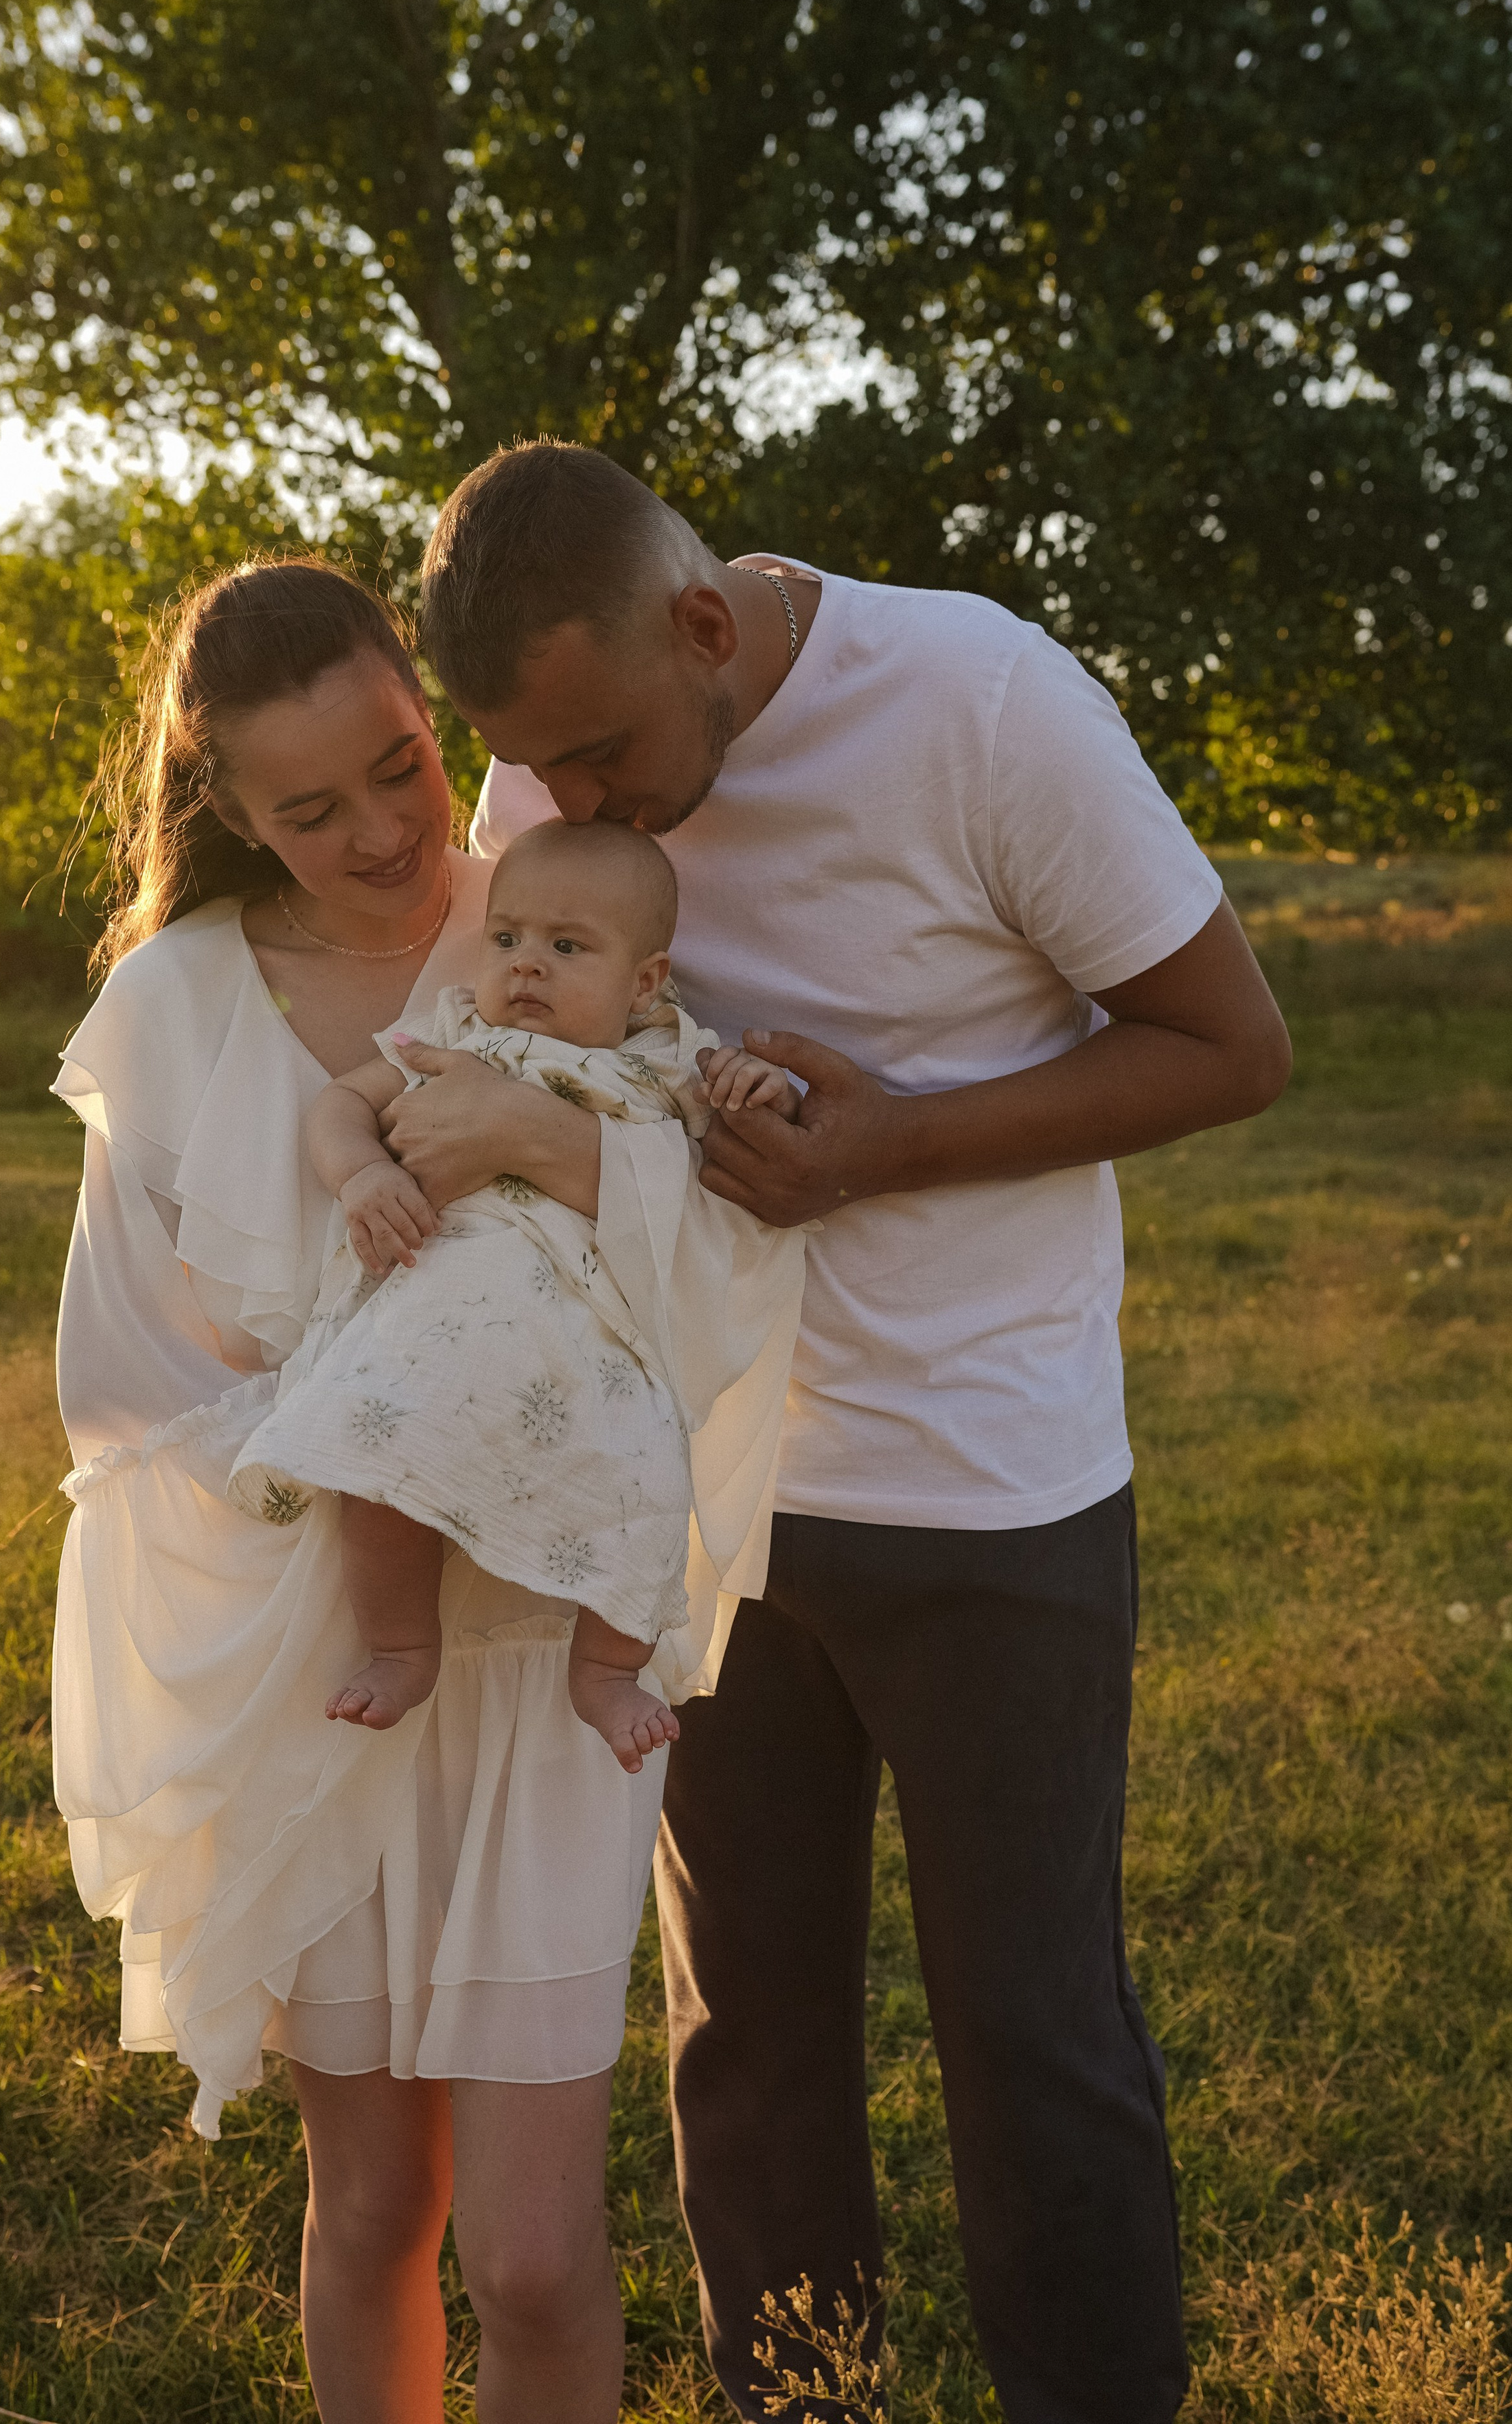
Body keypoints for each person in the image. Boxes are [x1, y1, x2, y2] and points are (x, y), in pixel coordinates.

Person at [406, 440, 1294, 2424]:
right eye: (539, 776)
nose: (579, 813)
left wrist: (886, 1146)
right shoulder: (555, 760)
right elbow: (524, 1042)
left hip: (994, 1500)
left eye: (608, 759)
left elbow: (1234, 1048)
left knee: (1034, 2036)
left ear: (705, 626)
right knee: (751, 2050)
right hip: (713, 1507)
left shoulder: (984, 705)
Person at [48, 554, 799, 2424]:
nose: (387, 830)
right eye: (313, 807)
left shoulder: (556, 928)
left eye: (402, 764)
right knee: (375, 2196)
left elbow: (726, 1271)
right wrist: (360, 1439)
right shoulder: (169, 1009)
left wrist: (548, 1150)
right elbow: (123, 1393)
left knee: (535, 2254)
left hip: (549, 1656)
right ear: (222, 806)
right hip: (323, 1662)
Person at [225, 817, 800, 1770]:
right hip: (440, 1314)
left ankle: (608, 1669)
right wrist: (363, 1176)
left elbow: (746, 1144)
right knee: (373, 1461)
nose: (526, 966)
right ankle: (404, 1645)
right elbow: (338, 1106)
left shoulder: (670, 1061)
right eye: (508, 939)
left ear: (645, 981)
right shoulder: (458, 1032)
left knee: (646, 1482)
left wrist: (755, 1086)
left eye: (566, 947)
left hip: (597, 1344)